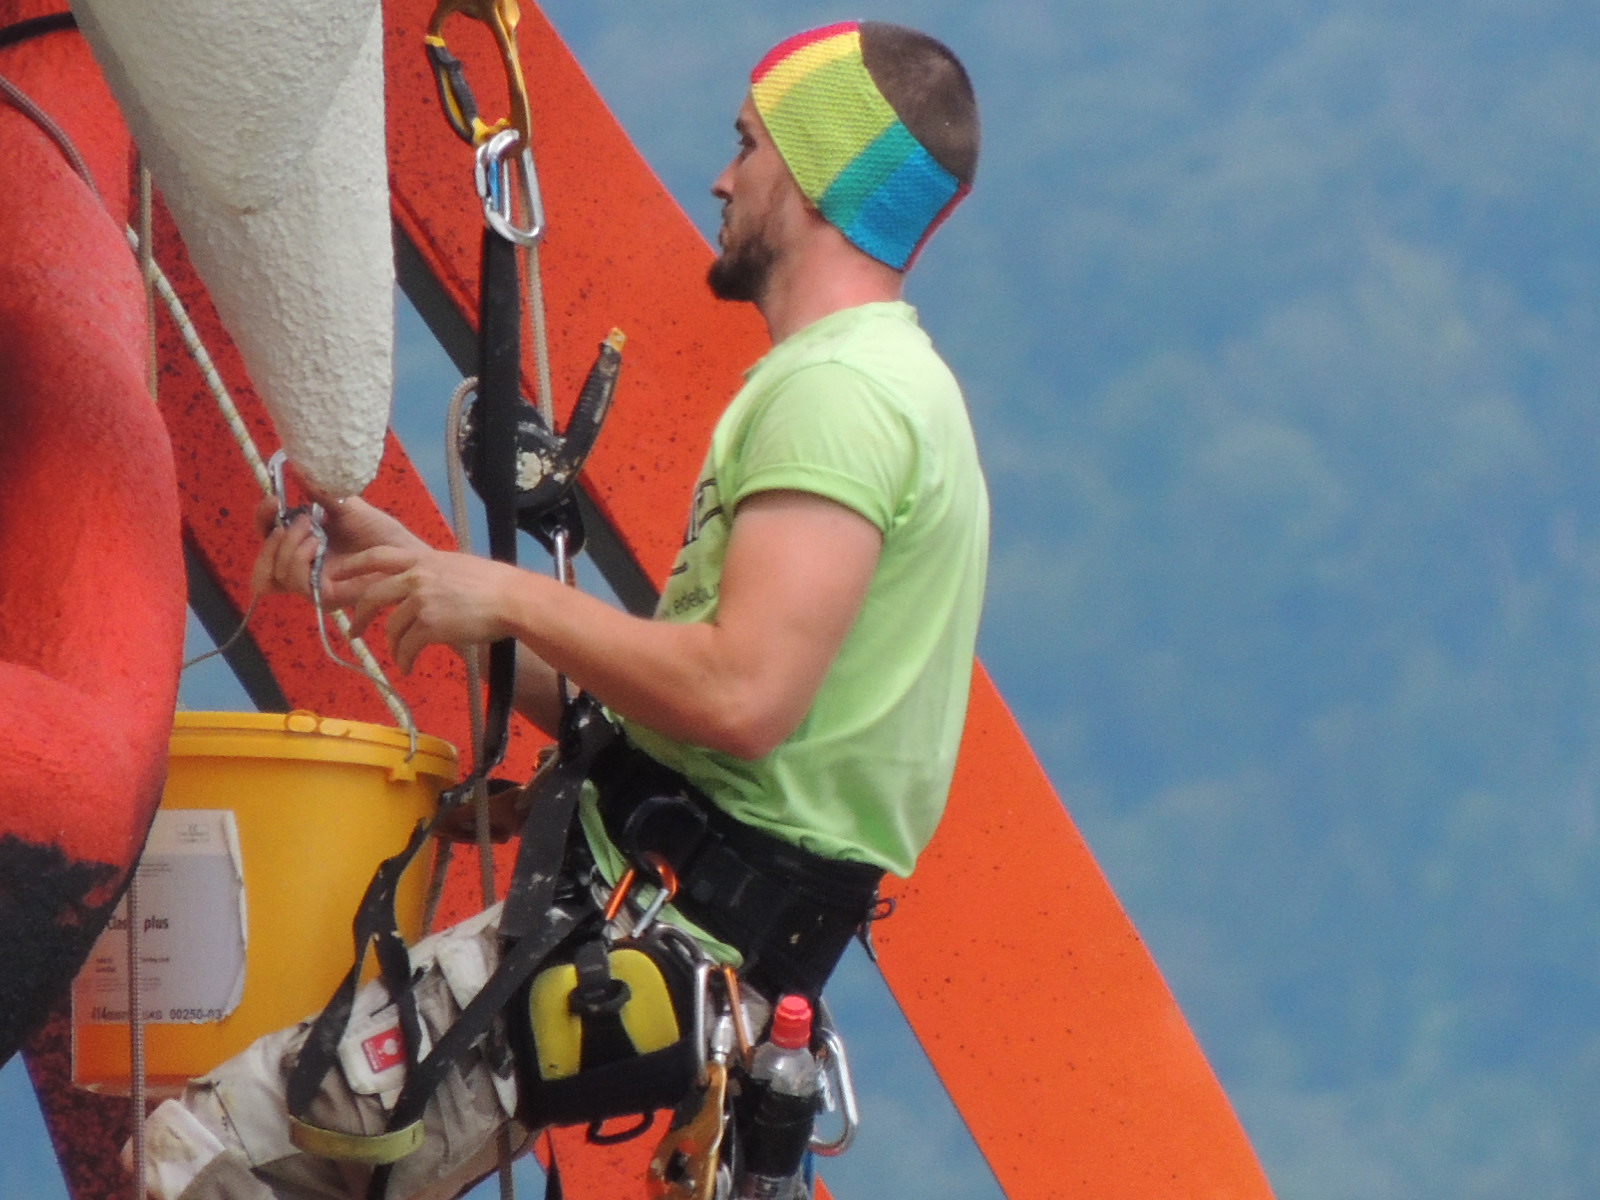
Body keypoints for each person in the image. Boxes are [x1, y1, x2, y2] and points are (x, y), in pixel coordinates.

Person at [137, 20, 986, 1200]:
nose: (722, 177)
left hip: (649, 929)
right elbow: (685, 719)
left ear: (818, 173)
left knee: (200, 1160)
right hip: (659, 929)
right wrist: (439, 586)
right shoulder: (868, 386)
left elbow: (741, 697)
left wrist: (506, 592)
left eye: (748, 145)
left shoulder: (840, 395)